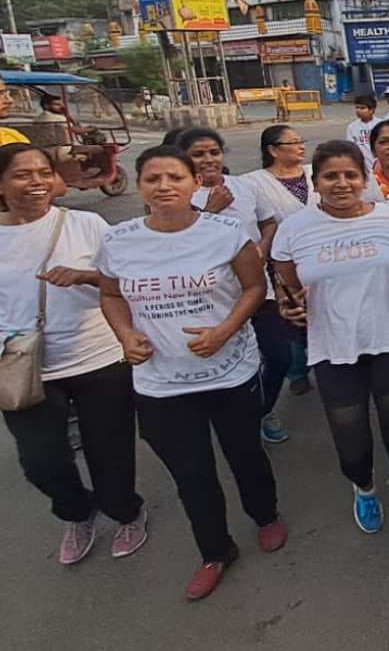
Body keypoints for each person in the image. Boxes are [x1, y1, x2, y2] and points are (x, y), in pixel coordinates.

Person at [98, 146, 285, 600]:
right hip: (160, 382)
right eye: (153, 178)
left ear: (191, 183)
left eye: (175, 178)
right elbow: (111, 294)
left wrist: (224, 330)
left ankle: (265, 515)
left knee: (244, 455)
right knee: (192, 473)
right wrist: (125, 335)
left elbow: (254, 287)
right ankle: (215, 550)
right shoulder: (118, 239)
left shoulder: (223, 231)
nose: (164, 186)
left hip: (228, 372)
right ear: (139, 185)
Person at [272, 140, 389, 570]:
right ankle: (363, 487)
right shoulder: (295, 228)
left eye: (350, 175)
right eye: (330, 176)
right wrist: (289, 305)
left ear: (363, 179)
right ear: (316, 181)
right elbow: (286, 282)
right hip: (332, 349)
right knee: (351, 441)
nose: (341, 184)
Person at [0, 144, 147, 566]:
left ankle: (125, 512)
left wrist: (85, 276)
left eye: (43, 172)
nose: (36, 183)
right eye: (22, 175)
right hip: (24, 368)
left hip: (98, 357)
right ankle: (77, 512)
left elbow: (124, 279)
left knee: (111, 452)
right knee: (41, 462)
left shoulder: (86, 224)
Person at [177, 128, 295, 445]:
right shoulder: (178, 196)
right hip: (213, 301)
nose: (208, 160)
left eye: (214, 152)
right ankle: (236, 421)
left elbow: (268, 222)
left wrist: (263, 247)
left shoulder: (245, 187)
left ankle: (261, 411)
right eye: (198, 154)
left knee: (279, 356)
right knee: (231, 365)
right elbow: (176, 248)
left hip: (259, 291)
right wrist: (209, 211)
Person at [243, 125, 315, 397]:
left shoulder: (313, 172)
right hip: (281, 262)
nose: (300, 146)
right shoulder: (254, 182)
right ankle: (298, 371)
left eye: (301, 140)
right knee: (293, 316)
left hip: (320, 256)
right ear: (272, 150)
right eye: (293, 142)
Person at [345, 94, 379, 169]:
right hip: (363, 165)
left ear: (371, 110)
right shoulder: (352, 127)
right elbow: (351, 147)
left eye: (362, 108)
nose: (358, 110)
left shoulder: (380, 124)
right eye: (357, 108)